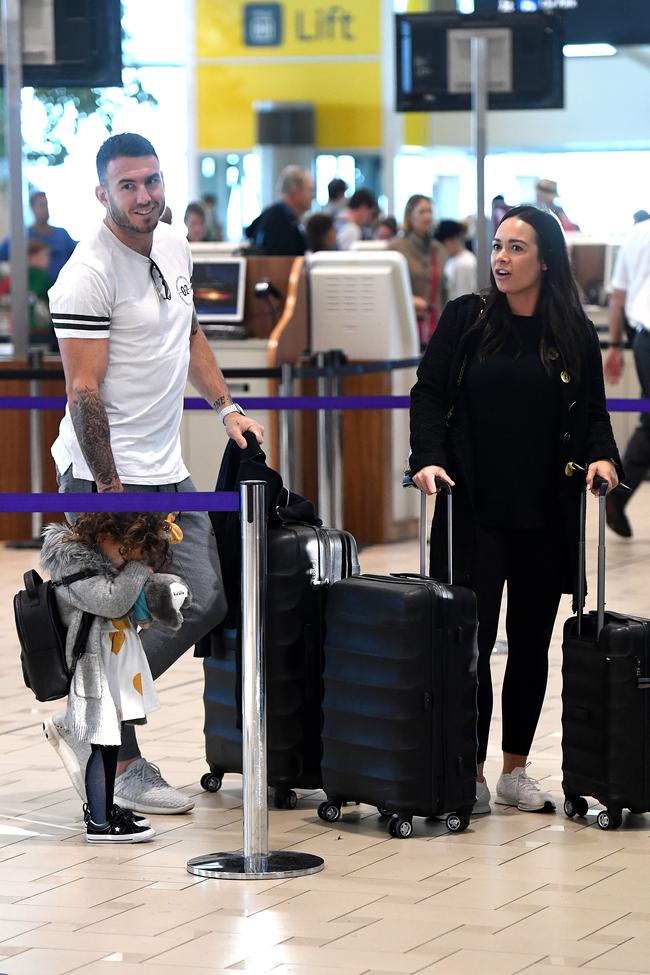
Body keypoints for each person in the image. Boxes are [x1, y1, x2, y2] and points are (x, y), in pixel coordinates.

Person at [46, 132, 264, 815]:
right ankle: (124, 761)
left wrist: (225, 405)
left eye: (152, 181)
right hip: (105, 477)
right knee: (118, 617)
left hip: (168, 469)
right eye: (129, 185)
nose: (144, 196)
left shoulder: (173, 245)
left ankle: (89, 714)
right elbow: (84, 391)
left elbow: (188, 331)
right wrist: (110, 494)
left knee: (201, 598)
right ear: (103, 193)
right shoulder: (86, 274)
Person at [410, 205, 621, 815]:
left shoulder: (574, 333)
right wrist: (426, 456)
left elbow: (593, 417)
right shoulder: (467, 319)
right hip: (473, 504)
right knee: (468, 642)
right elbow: (428, 393)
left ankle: (514, 769)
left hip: (545, 513)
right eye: (498, 246)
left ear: (546, 259)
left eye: (516, 248)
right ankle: (467, 770)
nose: (501, 258)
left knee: (531, 643)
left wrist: (604, 460)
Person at [41, 512, 190, 842]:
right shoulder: (74, 568)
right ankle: (99, 823)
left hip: (114, 667)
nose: (128, 560)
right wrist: (139, 569)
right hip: (93, 673)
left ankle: (105, 811)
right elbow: (113, 601)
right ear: (105, 536)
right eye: (125, 551)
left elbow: (131, 604)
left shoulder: (105, 568)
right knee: (103, 746)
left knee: (111, 744)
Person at [603, 216, 650, 537]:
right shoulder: (640, 232)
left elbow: (618, 296)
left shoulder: (638, 232)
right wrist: (616, 346)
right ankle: (618, 495)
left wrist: (618, 345)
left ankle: (618, 495)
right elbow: (618, 296)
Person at [390, 194, 443, 348]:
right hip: (406, 327)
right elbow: (388, 290)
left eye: (429, 211)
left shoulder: (438, 249)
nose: (427, 216)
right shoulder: (395, 248)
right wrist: (409, 299)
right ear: (409, 217)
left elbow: (443, 290)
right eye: (422, 212)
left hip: (435, 329)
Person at [0, 191, 77, 283]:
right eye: (42, 205)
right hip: (32, 293)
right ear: (32, 208)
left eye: (47, 204)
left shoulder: (62, 235)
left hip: (60, 289)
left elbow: (79, 257)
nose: (46, 209)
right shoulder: (22, 237)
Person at [245, 166, 314, 256]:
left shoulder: (271, 213)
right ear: (295, 190)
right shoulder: (280, 220)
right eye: (310, 190)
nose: (313, 196)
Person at [0, 239, 53, 335]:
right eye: (44, 256)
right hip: (40, 327)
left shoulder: (13, 275)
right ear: (30, 257)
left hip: (15, 328)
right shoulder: (41, 275)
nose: (48, 260)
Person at [434, 219, 477, 302]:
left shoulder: (465, 263)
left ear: (454, 239)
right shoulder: (453, 259)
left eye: (443, 243)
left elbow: (463, 297)